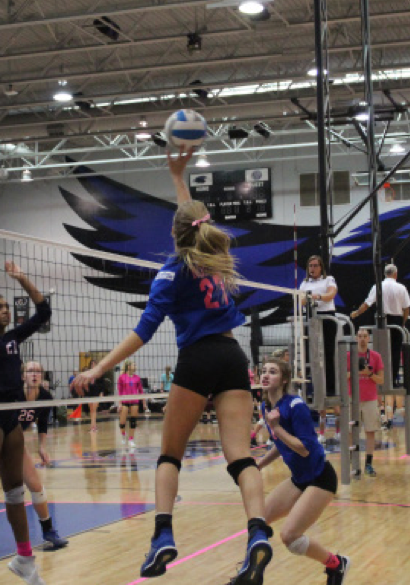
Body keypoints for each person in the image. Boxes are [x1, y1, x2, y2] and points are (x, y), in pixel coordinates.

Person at [73, 146, 273, 584]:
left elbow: (142, 332)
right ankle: (257, 532)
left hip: (198, 359)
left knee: (169, 454)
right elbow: (191, 219)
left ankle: (162, 535)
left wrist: (96, 369)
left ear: (175, 231)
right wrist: (177, 176)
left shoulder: (170, 271)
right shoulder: (213, 262)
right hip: (233, 356)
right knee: (241, 456)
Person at [256, 357, 350, 585]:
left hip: (320, 478)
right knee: (258, 521)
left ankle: (337, 564)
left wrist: (276, 428)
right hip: (299, 479)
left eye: (273, 372)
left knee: (290, 537)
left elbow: (304, 449)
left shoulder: (295, 405)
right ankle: (251, 574)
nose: (266, 375)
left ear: (284, 379)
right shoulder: (266, 407)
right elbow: (281, 445)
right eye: (264, 371)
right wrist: (257, 466)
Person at [0, 260, 49, 585]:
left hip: (11, 416)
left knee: (15, 492)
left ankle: (25, 559)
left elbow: (43, 313)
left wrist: (21, 278)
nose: (4, 310)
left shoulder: (13, 338)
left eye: (5, 305)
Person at [351, 264, 410, 429]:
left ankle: (382, 380)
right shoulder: (401, 287)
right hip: (397, 321)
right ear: (396, 274)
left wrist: (356, 314)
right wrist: (403, 323)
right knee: (395, 352)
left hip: (382, 322)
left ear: (385, 274)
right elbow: (406, 308)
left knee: (380, 353)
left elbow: (367, 304)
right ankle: (390, 380)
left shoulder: (378, 287)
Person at [19, 361, 69, 547]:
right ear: (23, 376)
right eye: (30, 370)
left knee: (36, 486)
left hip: (15, 443)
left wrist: (42, 446)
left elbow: (41, 424)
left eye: (38, 371)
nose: (34, 374)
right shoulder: (12, 393)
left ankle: (49, 532)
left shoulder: (45, 396)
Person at [299, 256, 340, 444]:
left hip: (327, 317)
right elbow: (300, 301)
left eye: (315, 265)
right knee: (311, 356)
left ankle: (331, 388)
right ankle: (313, 389)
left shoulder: (328, 280)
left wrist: (317, 297)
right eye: (310, 265)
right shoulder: (304, 283)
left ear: (321, 267)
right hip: (311, 319)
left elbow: (331, 294)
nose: (312, 268)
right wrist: (307, 299)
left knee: (329, 353)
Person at [347, 329, 384, 477]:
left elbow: (381, 380)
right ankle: (352, 462)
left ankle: (368, 464)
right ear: (356, 338)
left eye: (365, 336)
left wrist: (369, 374)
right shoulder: (349, 356)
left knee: (370, 431)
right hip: (352, 399)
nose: (362, 339)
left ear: (369, 338)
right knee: (351, 431)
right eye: (360, 336)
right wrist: (357, 372)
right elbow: (343, 376)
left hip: (370, 399)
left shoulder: (376, 356)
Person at [117, 360, 143, 448]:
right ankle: (123, 435)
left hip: (134, 401)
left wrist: (144, 403)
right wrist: (119, 403)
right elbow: (119, 391)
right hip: (124, 401)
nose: (135, 366)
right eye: (134, 364)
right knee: (122, 422)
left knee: (133, 421)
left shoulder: (137, 378)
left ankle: (131, 439)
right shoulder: (122, 377)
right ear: (128, 367)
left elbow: (141, 391)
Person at [85, 358, 106, 432]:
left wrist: (101, 393)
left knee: (94, 409)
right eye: (92, 364)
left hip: (97, 393)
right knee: (91, 410)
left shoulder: (100, 373)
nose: (93, 365)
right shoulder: (88, 373)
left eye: (94, 364)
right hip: (89, 394)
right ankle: (93, 426)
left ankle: (93, 426)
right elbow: (85, 384)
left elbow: (103, 384)